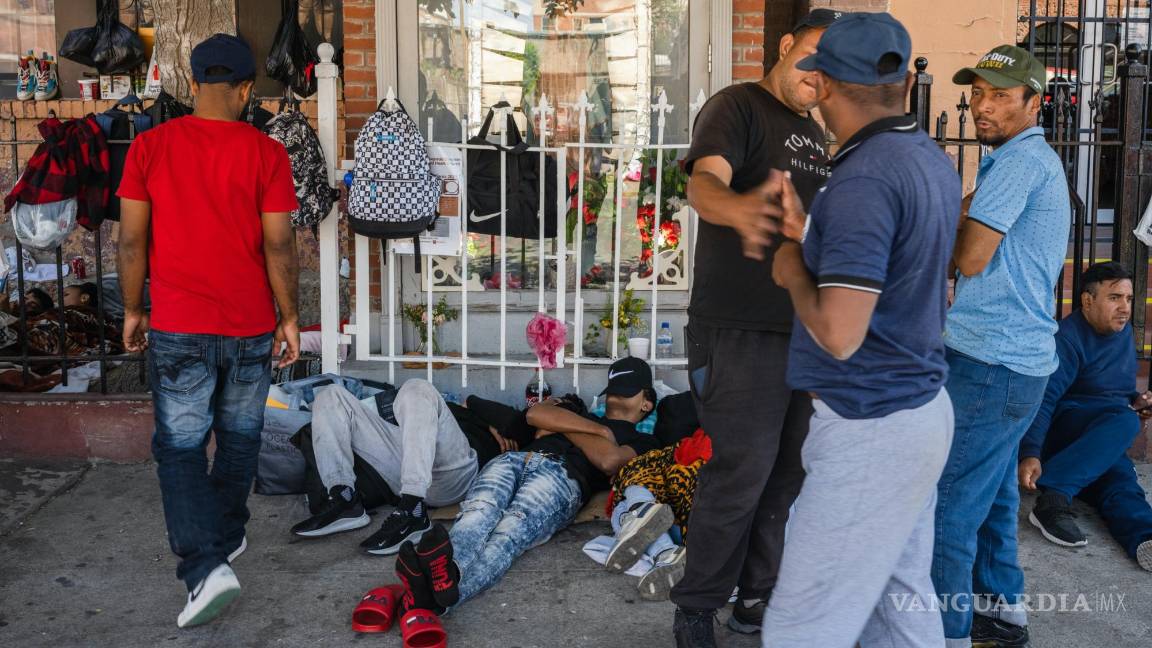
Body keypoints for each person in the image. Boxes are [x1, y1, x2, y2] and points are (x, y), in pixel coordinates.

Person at [765, 12, 959, 647]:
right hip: (916, 409)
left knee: (802, 626)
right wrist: (811, 234)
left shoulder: (864, 178)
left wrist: (792, 265)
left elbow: (842, 334)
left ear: (819, 84)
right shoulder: (924, 157)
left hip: (871, 425)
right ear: (904, 78)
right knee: (898, 608)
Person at [116, 34, 301, 628]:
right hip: (248, 328)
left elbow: (130, 240)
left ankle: (204, 563)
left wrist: (131, 308)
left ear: (193, 83)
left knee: (180, 448)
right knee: (239, 441)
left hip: (179, 326)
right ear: (246, 89)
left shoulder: (149, 147)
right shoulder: (267, 154)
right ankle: (222, 541)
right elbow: (279, 242)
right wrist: (289, 316)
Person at [670, 9, 839, 645]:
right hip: (737, 330)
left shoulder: (819, 135)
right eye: (812, 55)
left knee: (788, 477)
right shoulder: (736, 106)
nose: (818, 74)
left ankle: (756, 597)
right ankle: (697, 606)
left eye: (833, 67)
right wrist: (738, 208)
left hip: (804, 330)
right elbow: (704, 183)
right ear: (785, 43)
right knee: (739, 475)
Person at [932, 45, 1071, 648]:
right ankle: (1002, 609)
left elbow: (968, 256)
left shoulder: (1018, 163)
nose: (983, 106)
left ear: (1032, 103)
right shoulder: (1024, 160)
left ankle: (943, 632)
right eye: (979, 93)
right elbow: (970, 218)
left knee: (949, 506)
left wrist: (946, 227)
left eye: (999, 95)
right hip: (1017, 361)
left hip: (992, 361)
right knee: (989, 495)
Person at [394, 357, 663, 613]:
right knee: (478, 510)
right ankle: (443, 576)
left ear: (646, 404)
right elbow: (535, 414)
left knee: (508, 533)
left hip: (562, 479)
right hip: (514, 459)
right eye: (614, 389)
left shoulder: (644, 441)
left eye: (627, 391)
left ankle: (438, 593)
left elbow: (609, 460)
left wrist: (562, 427)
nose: (615, 395)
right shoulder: (582, 412)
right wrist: (599, 432)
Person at [1017, 262, 1152, 571]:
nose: (1125, 308)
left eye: (1129, 299)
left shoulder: (1124, 333)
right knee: (1125, 422)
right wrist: (1031, 453)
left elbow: (1115, 390)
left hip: (1101, 432)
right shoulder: (1066, 338)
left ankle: (1144, 536)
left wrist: (1137, 400)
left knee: (1119, 479)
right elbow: (1045, 398)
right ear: (1087, 300)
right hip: (1066, 430)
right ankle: (1055, 494)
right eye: (1115, 297)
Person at [289, 378, 508, 555]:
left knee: (416, 386)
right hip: (408, 472)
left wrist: (493, 424)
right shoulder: (443, 405)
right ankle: (344, 497)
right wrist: (479, 411)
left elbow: (522, 420)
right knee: (330, 394)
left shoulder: (503, 425)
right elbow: (468, 402)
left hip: (455, 474)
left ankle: (413, 512)